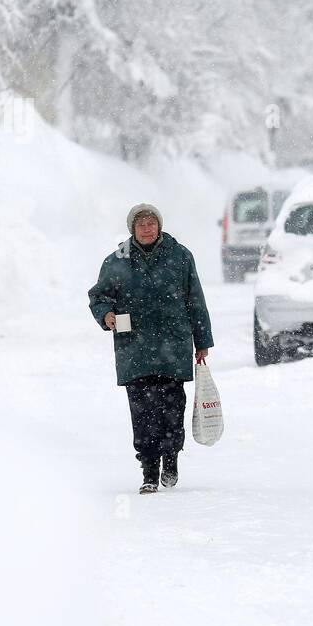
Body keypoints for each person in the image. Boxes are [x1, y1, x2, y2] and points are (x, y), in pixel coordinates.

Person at [88, 204, 213, 494]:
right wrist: (106, 315)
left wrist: (202, 341)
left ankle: (170, 459)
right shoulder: (116, 261)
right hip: (135, 350)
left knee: (172, 408)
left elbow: (195, 300)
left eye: (151, 223)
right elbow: (99, 296)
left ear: (159, 226)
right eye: (141, 223)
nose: (147, 228)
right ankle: (148, 470)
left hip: (173, 345)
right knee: (142, 412)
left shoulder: (180, 256)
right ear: (132, 228)